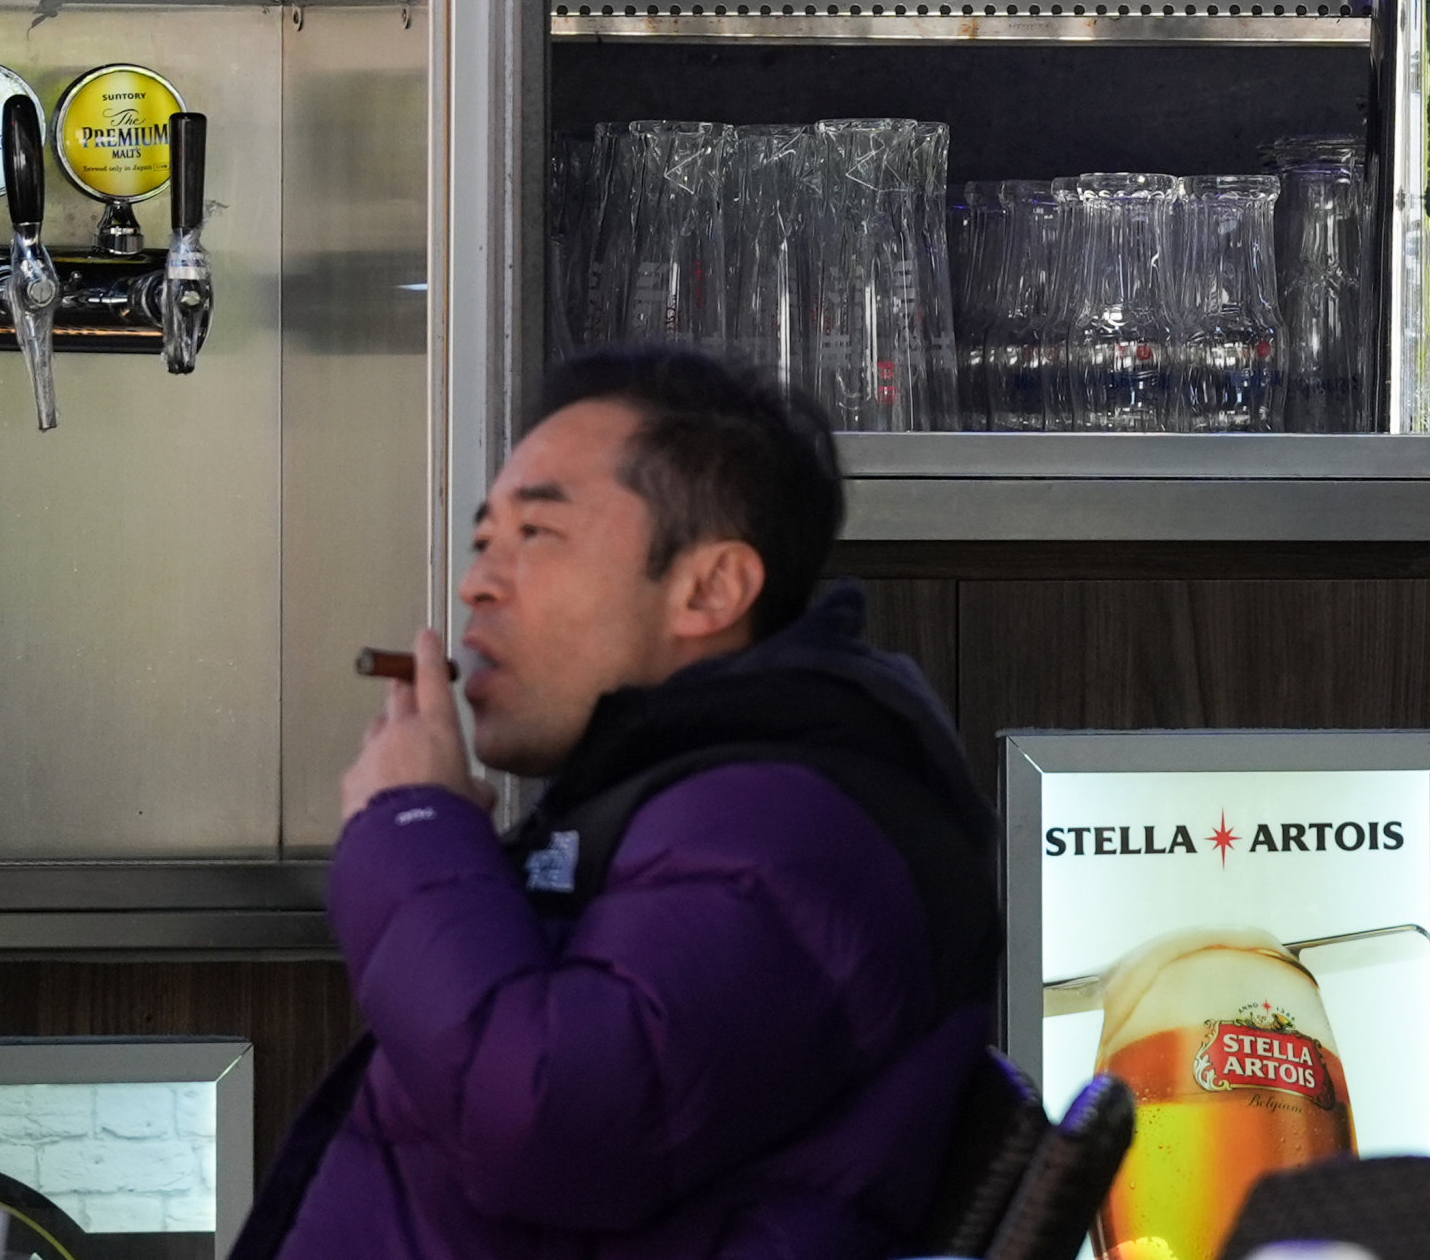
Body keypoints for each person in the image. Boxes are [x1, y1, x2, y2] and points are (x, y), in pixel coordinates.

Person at [240, 346, 1001, 1260]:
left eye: (536, 536)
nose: (478, 582)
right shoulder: (695, 799)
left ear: (710, 588)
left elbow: (549, 1124)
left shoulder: (789, 829)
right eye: (483, 542)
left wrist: (412, 827)